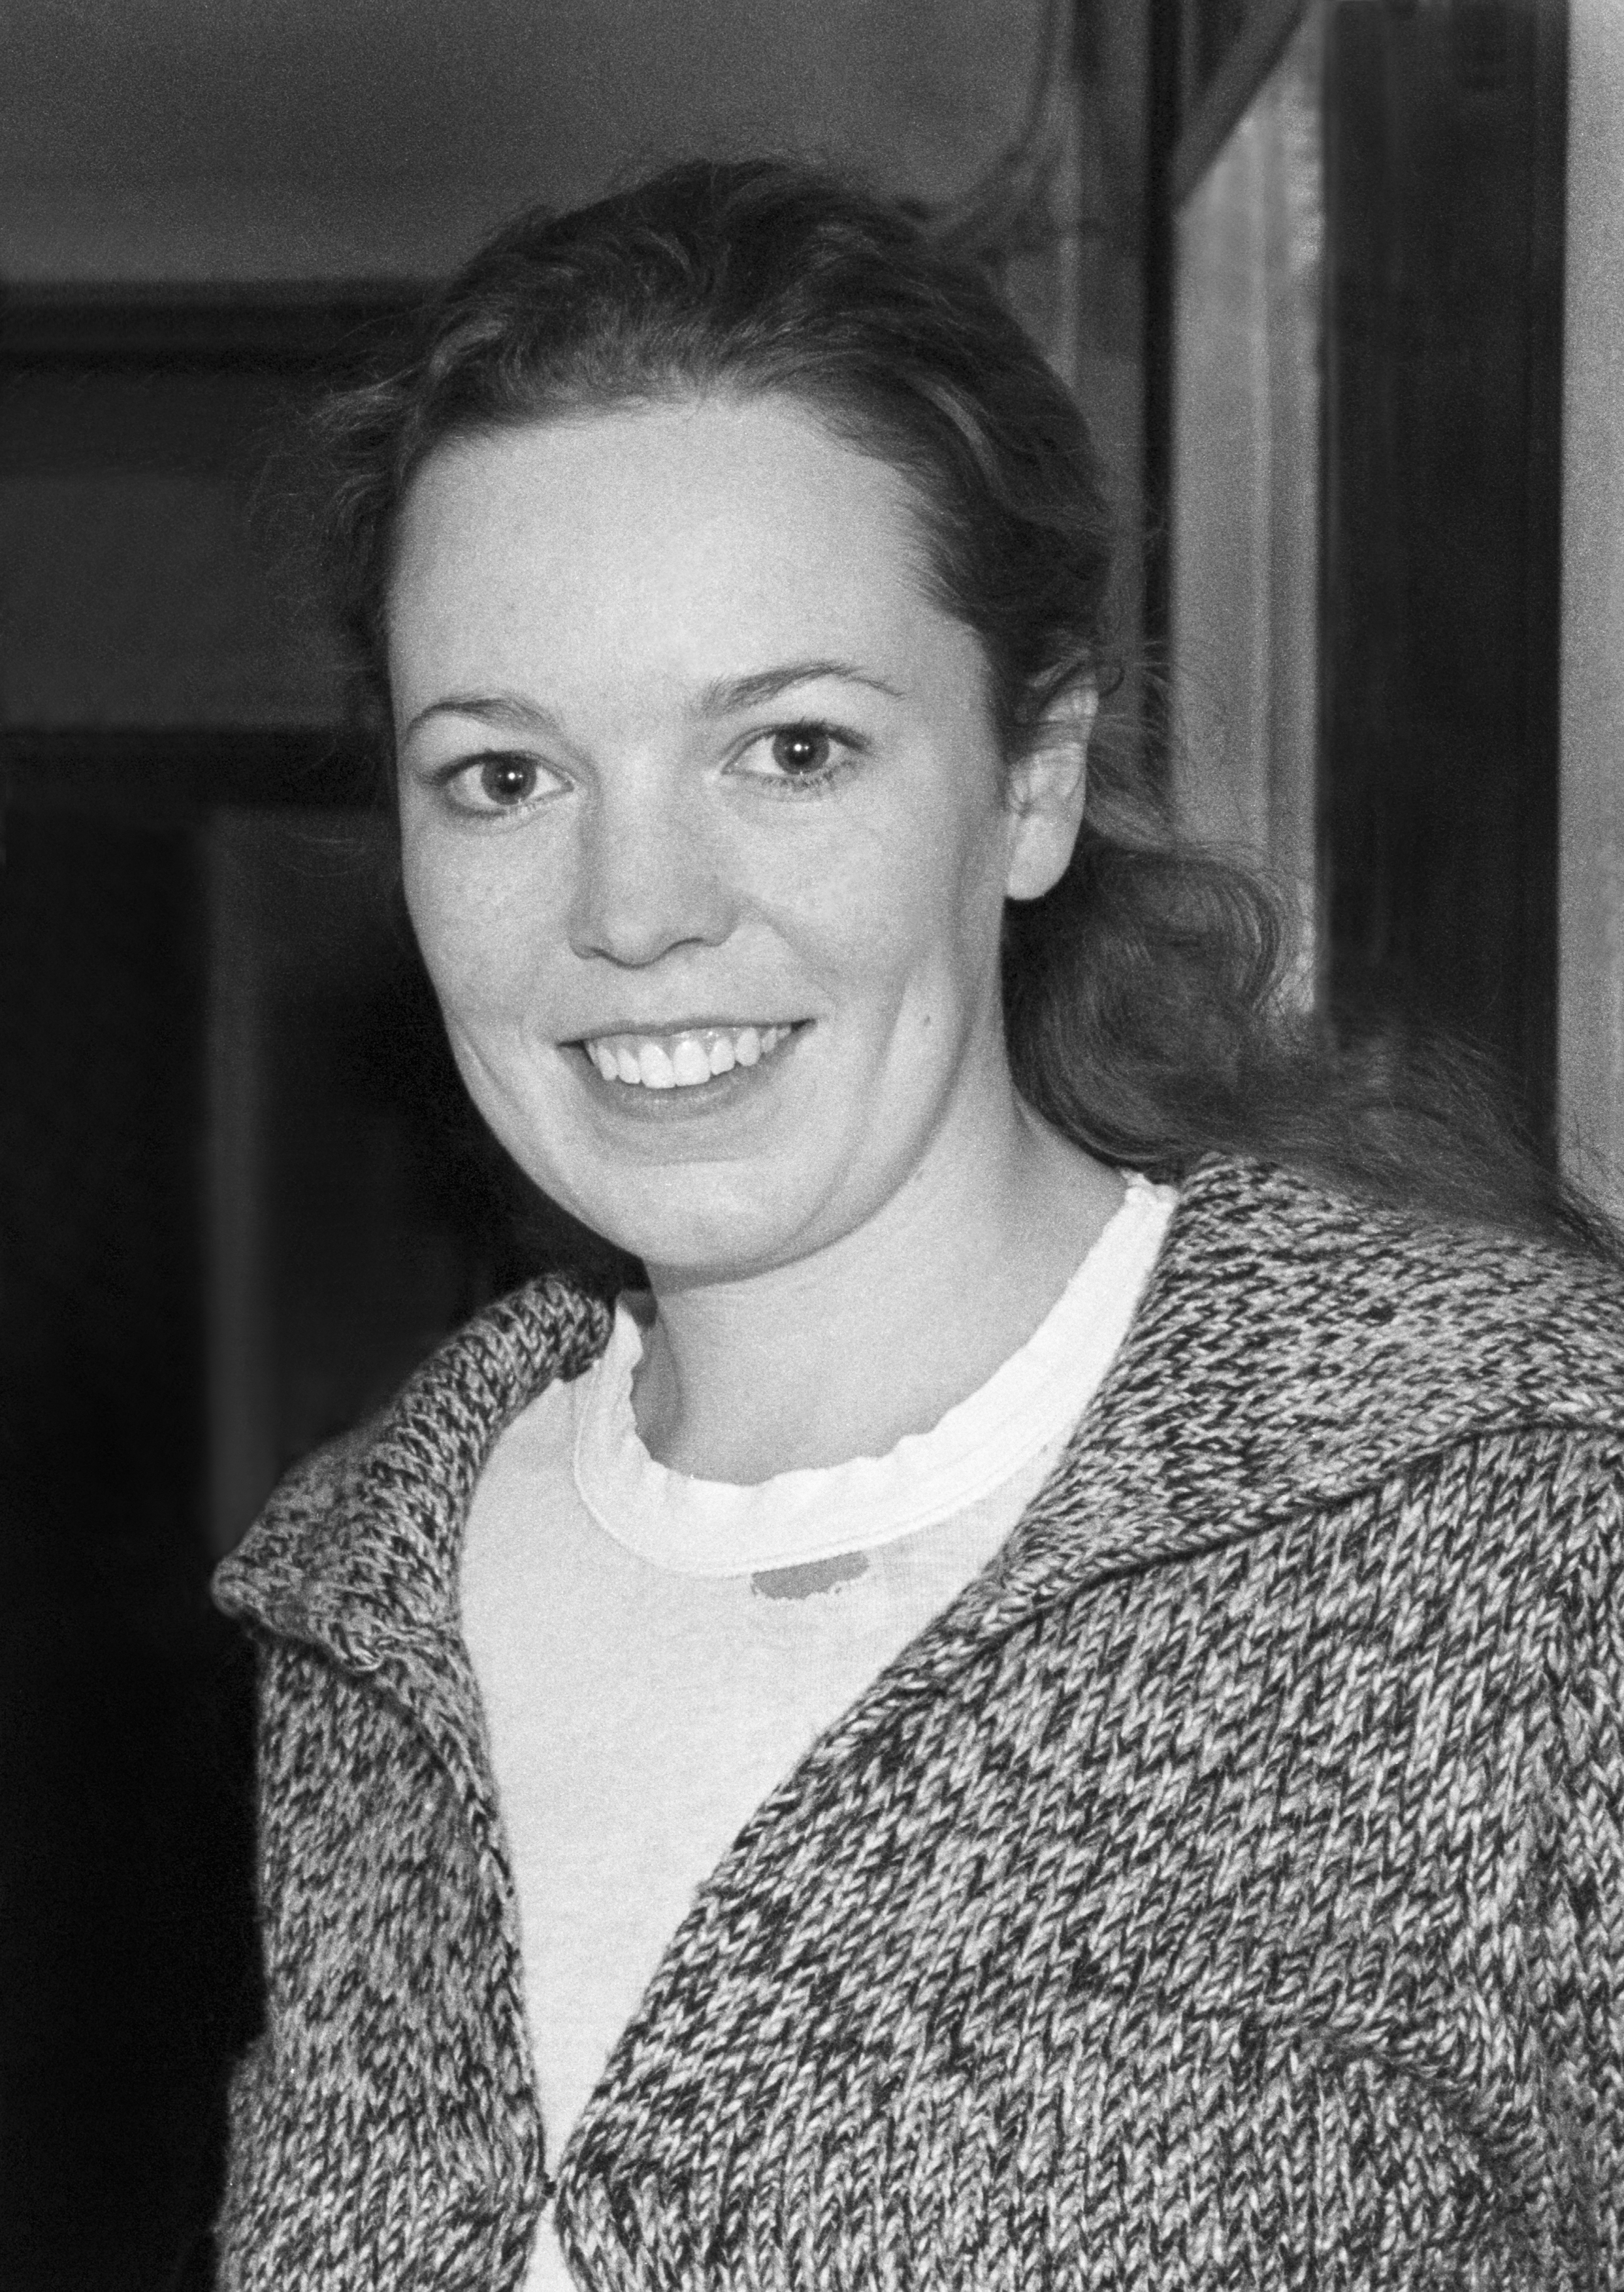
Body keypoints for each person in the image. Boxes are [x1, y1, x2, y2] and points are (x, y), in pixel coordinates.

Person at [213, 160, 1624, 2289]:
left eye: (789, 747)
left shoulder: (1518, 1505)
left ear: (1032, 779)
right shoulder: (357, 1619)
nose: (635, 912)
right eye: (505, 775)